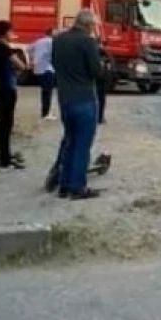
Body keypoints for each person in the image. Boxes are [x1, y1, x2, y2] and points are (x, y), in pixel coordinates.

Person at [48, 10, 102, 200]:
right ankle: (77, 187)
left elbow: (54, 63)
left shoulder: (59, 40)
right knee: (82, 144)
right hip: (84, 98)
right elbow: (96, 71)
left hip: (65, 98)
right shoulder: (88, 42)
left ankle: (64, 184)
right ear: (89, 25)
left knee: (70, 141)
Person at [0, 20, 26, 170]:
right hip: (7, 88)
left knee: (3, 122)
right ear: (5, 32)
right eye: (10, 31)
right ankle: (5, 160)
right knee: (6, 123)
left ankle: (6, 156)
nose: (12, 35)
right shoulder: (3, 47)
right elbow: (21, 65)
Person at [30, 27, 57, 121]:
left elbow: (29, 49)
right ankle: (46, 113)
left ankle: (44, 112)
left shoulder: (39, 41)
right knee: (48, 92)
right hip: (48, 69)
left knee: (44, 91)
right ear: (52, 33)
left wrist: (33, 59)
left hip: (38, 69)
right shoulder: (51, 42)